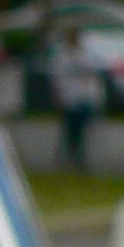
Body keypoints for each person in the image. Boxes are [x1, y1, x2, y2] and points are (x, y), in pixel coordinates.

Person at [50, 28, 104, 172]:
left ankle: (80, 156)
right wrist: (58, 96)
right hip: (69, 96)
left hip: (85, 95)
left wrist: (96, 95)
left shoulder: (85, 53)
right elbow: (56, 76)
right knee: (71, 128)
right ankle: (69, 155)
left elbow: (93, 74)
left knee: (83, 128)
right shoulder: (62, 55)